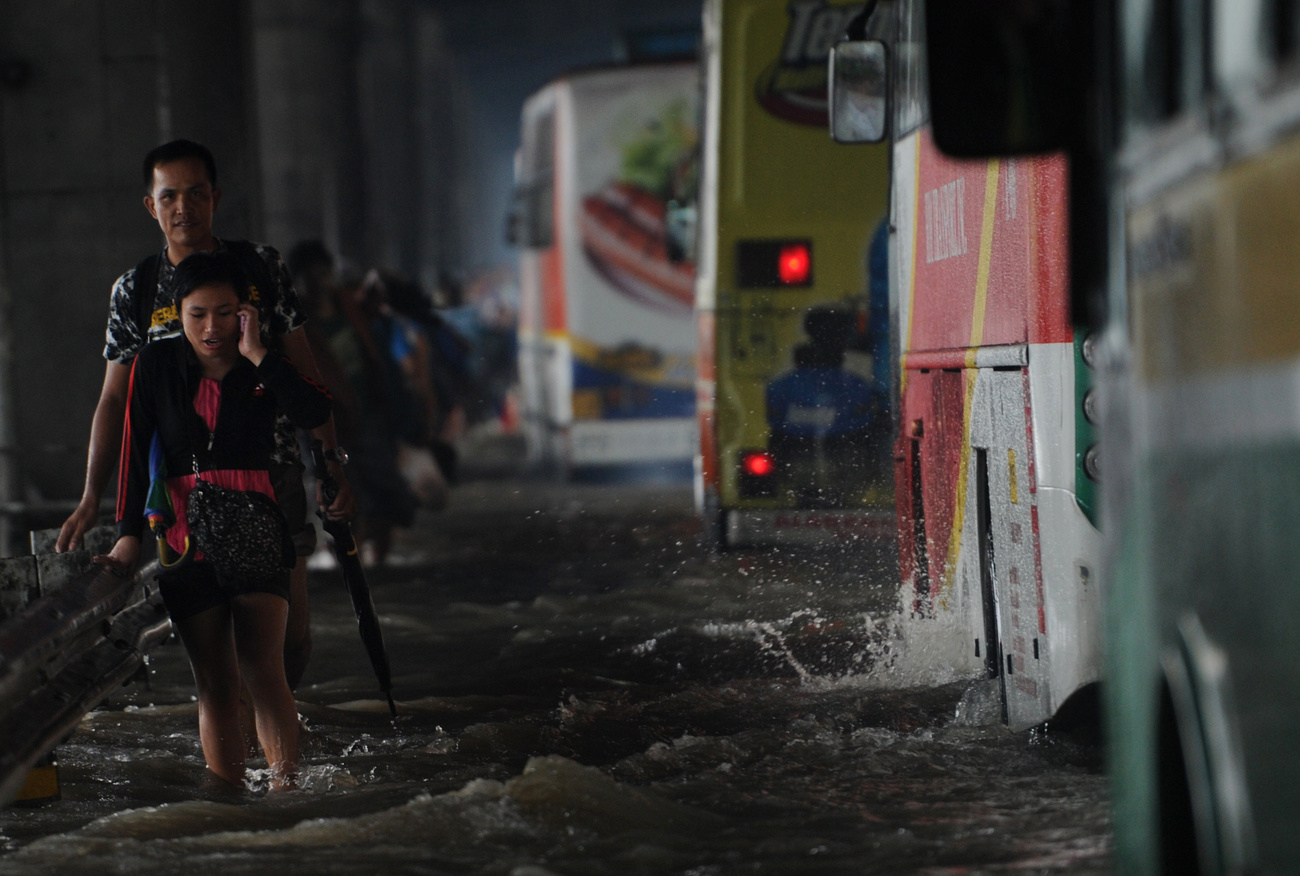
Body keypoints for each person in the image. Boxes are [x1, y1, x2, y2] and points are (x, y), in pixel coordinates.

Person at [56, 139, 354, 690]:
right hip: (179, 490)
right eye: (169, 195)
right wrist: (90, 498)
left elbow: (302, 370)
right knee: (217, 660)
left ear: (215, 197)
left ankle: (275, 753)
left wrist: (330, 462)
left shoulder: (259, 268)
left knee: (290, 642)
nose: (183, 207)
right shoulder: (136, 290)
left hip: (271, 472)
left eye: (196, 193)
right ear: (152, 205)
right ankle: (242, 761)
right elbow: (114, 401)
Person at [98, 253, 336, 789]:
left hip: (256, 524)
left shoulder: (262, 360)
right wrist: (126, 538)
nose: (212, 328)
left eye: (225, 313)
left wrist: (259, 355)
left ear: (245, 313)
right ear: (177, 314)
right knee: (214, 681)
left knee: (265, 671)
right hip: (184, 536)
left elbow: (317, 412)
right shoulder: (155, 366)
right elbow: (134, 454)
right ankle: (227, 794)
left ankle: (286, 790)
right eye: (197, 313)